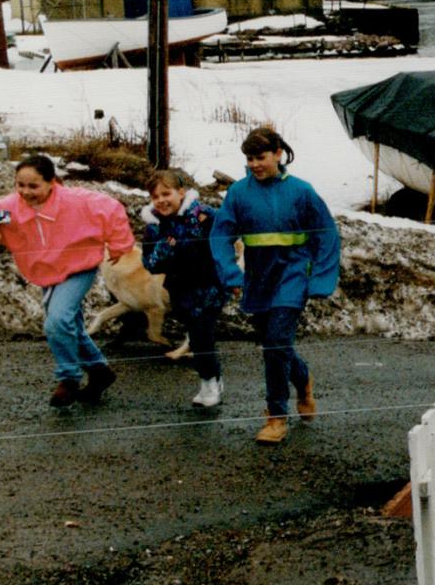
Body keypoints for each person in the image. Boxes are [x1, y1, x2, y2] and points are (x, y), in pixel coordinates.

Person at [0, 154, 133, 407]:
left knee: (57, 321)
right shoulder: (13, 210)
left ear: (52, 182)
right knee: (67, 326)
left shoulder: (76, 202)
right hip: (46, 271)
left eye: (34, 186)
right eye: (20, 185)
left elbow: (111, 210)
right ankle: (100, 372)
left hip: (79, 266)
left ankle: (69, 378)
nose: (26, 192)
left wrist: (119, 244)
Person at [210, 127, 341, 444]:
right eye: (250, 158)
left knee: (275, 344)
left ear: (278, 154)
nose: (255, 163)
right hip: (259, 279)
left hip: (293, 274)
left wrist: (320, 278)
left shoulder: (301, 191)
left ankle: (275, 418)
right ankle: (303, 378)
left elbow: (326, 234)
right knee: (275, 345)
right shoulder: (239, 193)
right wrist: (232, 275)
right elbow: (220, 236)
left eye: (261, 157)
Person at [140, 168, 227, 407]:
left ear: (181, 192)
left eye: (166, 194)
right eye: (155, 197)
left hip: (209, 284)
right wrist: (165, 249)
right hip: (180, 289)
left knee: (201, 335)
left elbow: (227, 232)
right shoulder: (154, 227)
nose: (161, 201)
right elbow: (150, 264)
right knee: (198, 334)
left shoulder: (203, 215)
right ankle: (214, 378)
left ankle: (209, 383)